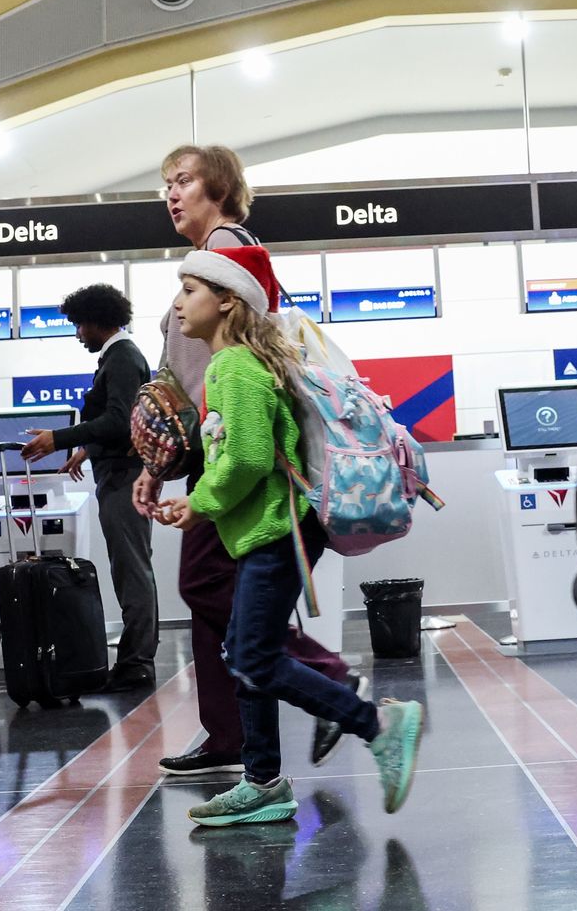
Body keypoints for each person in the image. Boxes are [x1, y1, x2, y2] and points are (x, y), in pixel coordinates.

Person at [150, 243, 423, 826]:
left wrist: (198, 504)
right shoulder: (245, 362)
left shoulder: (234, 367)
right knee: (245, 654)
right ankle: (263, 780)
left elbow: (247, 459)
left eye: (190, 290)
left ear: (228, 302)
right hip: (269, 533)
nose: (177, 304)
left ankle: (378, 726)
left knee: (252, 657)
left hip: (277, 534)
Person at [133, 144, 365, 777]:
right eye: (166, 184)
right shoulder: (214, 254)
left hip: (232, 450)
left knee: (209, 587)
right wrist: (159, 458)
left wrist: (171, 461)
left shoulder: (230, 251)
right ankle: (232, 736)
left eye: (183, 181)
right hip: (214, 446)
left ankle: (327, 680)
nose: (172, 194)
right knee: (214, 594)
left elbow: (227, 362)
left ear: (220, 189)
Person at [21, 283, 158, 691]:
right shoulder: (119, 357)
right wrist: (87, 448)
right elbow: (122, 421)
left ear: (98, 320)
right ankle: (138, 656)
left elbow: (119, 420)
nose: (78, 333)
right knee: (132, 567)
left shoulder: (120, 358)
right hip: (118, 471)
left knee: (132, 570)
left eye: (80, 325)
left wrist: (58, 439)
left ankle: (136, 663)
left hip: (124, 478)